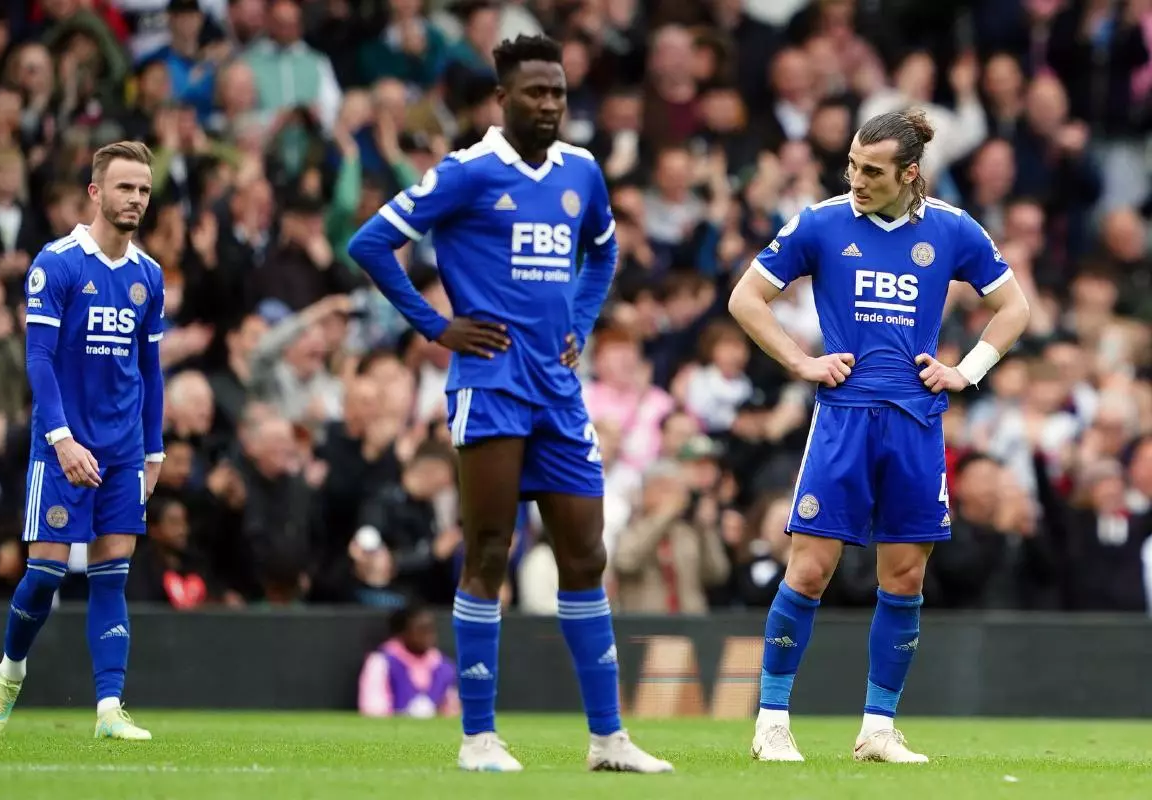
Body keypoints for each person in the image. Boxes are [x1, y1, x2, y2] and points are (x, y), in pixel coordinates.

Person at [348, 35, 671, 774]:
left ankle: (608, 739)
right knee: (489, 550)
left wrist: (580, 327)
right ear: (503, 99)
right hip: (489, 384)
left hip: (557, 392)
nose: (551, 104)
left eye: (558, 92)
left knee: (585, 554)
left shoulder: (582, 172)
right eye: (536, 92)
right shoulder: (465, 173)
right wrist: (436, 326)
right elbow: (370, 244)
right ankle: (479, 738)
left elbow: (605, 253)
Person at [727, 108, 1030, 763]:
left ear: (909, 174)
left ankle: (878, 729)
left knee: (904, 579)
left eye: (871, 170)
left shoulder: (952, 230)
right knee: (808, 572)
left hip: (917, 424)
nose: (856, 179)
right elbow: (745, 298)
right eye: (852, 166)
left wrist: (966, 371)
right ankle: (772, 722)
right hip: (842, 419)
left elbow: (1015, 308)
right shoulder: (822, 221)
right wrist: (801, 362)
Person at [0, 141, 165, 741]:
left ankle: (110, 710)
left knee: (112, 574)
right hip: (61, 446)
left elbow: (151, 371)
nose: (135, 198)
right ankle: (11, 672)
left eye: (143, 189)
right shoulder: (55, 264)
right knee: (47, 575)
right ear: (95, 192)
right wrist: (60, 440)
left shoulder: (149, 277)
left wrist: (153, 451)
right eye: (125, 187)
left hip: (123, 450)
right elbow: (39, 359)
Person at [358, 603, 459, 718]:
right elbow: (372, 710)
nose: (428, 636)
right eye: (420, 630)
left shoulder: (444, 666)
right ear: (402, 632)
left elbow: (452, 712)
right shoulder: (381, 661)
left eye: (430, 630)